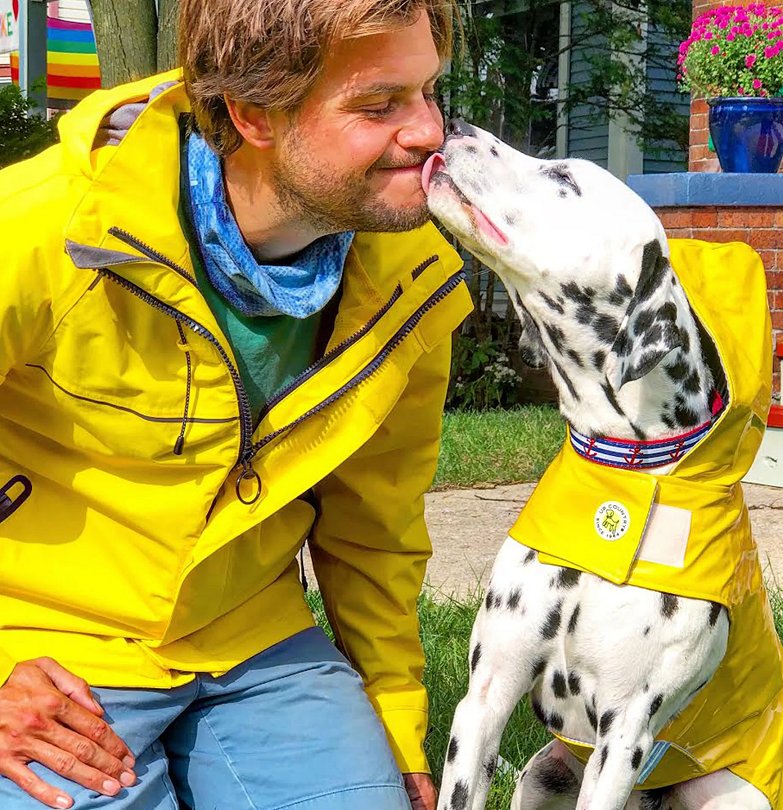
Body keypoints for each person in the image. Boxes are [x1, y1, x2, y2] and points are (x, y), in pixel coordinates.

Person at [0, 1, 472, 808]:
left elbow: (378, 528)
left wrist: (395, 716)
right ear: (252, 113)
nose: (430, 132)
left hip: (256, 638)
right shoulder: (42, 225)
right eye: (380, 104)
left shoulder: (414, 276)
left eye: (430, 93)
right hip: (41, 643)